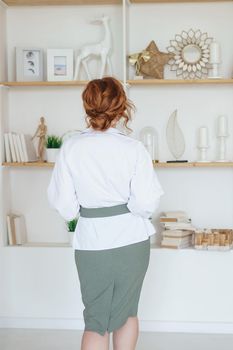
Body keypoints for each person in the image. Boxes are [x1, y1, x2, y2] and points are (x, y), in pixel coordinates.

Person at [47, 77, 164, 350]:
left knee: (96, 319)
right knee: (127, 312)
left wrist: (84, 210)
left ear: (88, 107)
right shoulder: (134, 148)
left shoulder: (71, 147)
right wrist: (127, 208)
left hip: (91, 241)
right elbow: (146, 202)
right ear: (122, 107)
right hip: (131, 240)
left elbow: (63, 204)